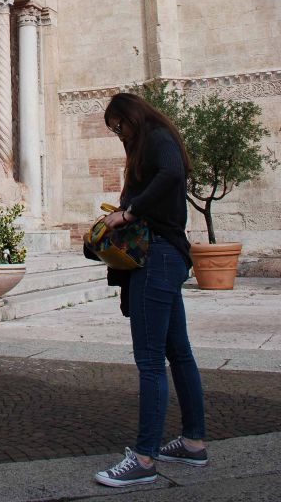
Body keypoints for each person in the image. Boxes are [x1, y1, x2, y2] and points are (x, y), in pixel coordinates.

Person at [94, 92, 207, 488]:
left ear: (131, 117)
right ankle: (193, 442)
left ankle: (144, 458)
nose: (118, 135)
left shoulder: (157, 137)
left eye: (118, 127)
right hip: (168, 255)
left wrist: (130, 212)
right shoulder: (157, 138)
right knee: (178, 354)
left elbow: (172, 174)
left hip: (156, 256)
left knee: (150, 360)